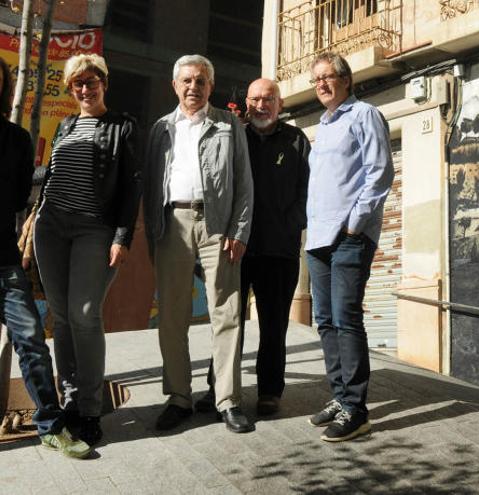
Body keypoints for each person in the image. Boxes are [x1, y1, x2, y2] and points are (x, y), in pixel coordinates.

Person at [30, 54, 140, 447]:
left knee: (86, 314)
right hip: (51, 227)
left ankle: (91, 409)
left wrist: (121, 236)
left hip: (95, 228)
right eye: (77, 83)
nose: (84, 89)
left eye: (91, 81)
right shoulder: (66, 124)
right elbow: (54, 174)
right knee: (61, 318)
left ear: (103, 83)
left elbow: (131, 186)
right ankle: (71, 402)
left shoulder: (122, 126)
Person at [143, 54, 254, 433]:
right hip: (172, 224)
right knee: (172, 316)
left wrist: (239, 231)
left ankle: (227, 400)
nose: (193, 87)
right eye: (187, 81)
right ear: (175, 86)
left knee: (226, 312)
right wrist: (152, 234)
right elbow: (150, 184)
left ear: (211, 86)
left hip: (217, 226)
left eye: (201, 81)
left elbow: (244, 182)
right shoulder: (160, 128)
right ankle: (179, 397)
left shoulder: (227, 125)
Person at [194, 78, 309, 416]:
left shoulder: (296, 141)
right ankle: (219, 388)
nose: (261, 105)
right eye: (256, 99)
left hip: (279, 251)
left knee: (274, 325)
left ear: (280, 103)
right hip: (234, 248)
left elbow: (307, 191)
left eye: (268, 99)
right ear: (247, 102)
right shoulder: (234, 137)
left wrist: (290, 225)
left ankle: (270, 391)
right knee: (228, 322)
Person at [0, 58, 91, 458]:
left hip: (3, 260)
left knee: (32, 341)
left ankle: (51, 425)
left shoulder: (17, 140)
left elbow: (21, 196)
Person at [305, 53, 393, 442]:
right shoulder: (323, 125)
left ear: (346, 80)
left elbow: (380, 172)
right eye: (317, 79)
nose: (322, 84)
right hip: (318, 237)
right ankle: (340, 397)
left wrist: (355, 225)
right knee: (324, 321)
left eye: (328, 77)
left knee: (346, 318)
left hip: (347, 237)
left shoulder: (364, 115)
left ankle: (356, 409)